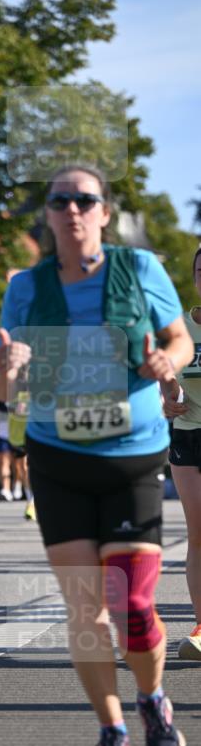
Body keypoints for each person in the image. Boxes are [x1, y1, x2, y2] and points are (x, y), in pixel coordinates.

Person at [0, 163, 193, 746]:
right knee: (86, 610)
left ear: (104, 212)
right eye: (60, 201)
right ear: (48, 215)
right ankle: (111, 730)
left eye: (85, 200)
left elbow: (180, 338)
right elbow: (5, 390)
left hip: (132, 459)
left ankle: (152, 697)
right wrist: (9, 364)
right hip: (57, 459)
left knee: (132, 605)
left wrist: (168, 362)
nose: (72, 210)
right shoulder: (25, 287)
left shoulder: (141, 269)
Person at [162, 244, 201, 661]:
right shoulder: (183, 330)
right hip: (188, 435)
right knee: (198, 535)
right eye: (200, 269)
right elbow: (168, 377)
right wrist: (167, 398)